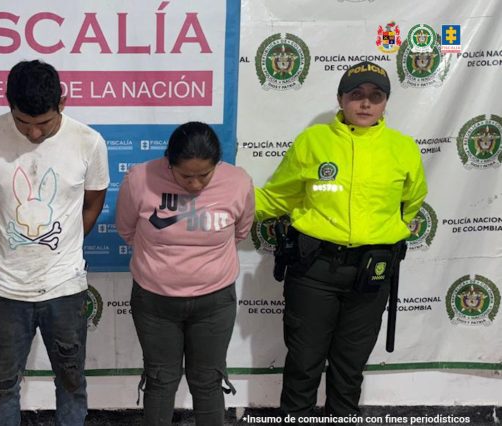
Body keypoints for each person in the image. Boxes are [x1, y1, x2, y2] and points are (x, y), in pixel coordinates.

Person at [255, 61, 428, 421]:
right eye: (356, 95)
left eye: (375, 97)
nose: (365, 104)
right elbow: (277, 197)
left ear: (385, 104)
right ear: (341, 99)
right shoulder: (313, 142)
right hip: (314, 269)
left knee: (349, 370)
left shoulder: (403, 148)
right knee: (303, 365)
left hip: (372, 274)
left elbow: (411, 204)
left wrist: (385, 232)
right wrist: (220, 208)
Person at [0, 60, 109, 426]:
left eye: (43, 124)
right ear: (7, 103)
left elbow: (91, 207)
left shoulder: (89, 142)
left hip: (65, 287)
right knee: (2, 386)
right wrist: (12, 244)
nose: (32, 133)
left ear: (63, 102)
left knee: (72, 383)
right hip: (5, 288)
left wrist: (60, 248)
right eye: (22, 122)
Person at [116, 122, 255, 425]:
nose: (194, 184)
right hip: (155, 304)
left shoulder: (238, 182)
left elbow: (240, 232)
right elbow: (127, 229)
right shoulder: (140, 179)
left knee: (207, 381)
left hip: (214, 304)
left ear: (217, 164)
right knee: (160, 379)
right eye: (185, 176)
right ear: (169, 163)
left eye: (204, 175)